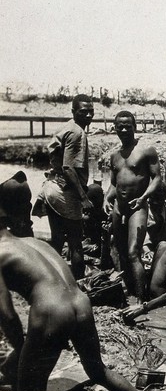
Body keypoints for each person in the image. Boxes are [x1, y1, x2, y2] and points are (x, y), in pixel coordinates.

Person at [0, 198, 151, 391]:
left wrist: (22, 347)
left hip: (51, 310)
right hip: (81, 303)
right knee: (97, 370)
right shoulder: (33, 242)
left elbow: (6, 313)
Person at [103, 111, 162, 302]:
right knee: (119, 250)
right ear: (115, 128)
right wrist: (106, 199)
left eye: (128, 125)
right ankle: (127, 291)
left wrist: (144, 197)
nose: (124, 129)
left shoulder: (146, 151)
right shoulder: (115, 156)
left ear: (135, 127)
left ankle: (140, 298)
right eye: (120, 126)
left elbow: (157, 178)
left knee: (133, 252)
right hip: (119, 208)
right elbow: (114, 184)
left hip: (138, 206)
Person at [38, 94, 94, 279]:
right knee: (76, 243)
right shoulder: (77, 133)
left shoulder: (67, 128)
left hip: (51, 187)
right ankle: (77, 286)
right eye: (83, 112)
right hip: (64, 190)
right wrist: (83, 198)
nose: (88, 115)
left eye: (90, 111)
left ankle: (47, 278)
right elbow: (68, 168)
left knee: (57, 238)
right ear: (73, 112)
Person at [0, 171, 33, 237]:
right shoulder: (25, 185)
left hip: (7, 191)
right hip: (23, 193)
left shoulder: (7, 183)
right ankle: (24, 228)